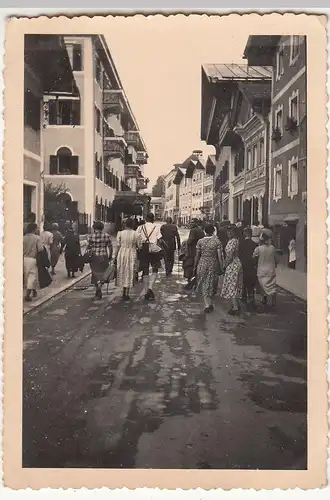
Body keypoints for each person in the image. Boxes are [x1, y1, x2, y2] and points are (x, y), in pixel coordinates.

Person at [194, 223, 224, 313]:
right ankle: (209, 303)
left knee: (204, 283)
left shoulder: (200, 241)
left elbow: (197, 256)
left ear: (204, 231)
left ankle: (208, 304)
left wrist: (195, 266)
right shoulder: (217, 241)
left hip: (202, 263)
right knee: (211, 283)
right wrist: (222, 267)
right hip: (213, 264)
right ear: (213, 231)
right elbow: (220, 256)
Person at [136, 212, 162, 301]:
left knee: (145, 270)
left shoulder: (140, 227)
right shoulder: (157, 227)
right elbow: (159, 239)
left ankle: (147, 291)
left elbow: (137, 239)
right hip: (153, 248)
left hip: (144, 248)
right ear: (153, 219)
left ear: (145, 218)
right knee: (155, 269)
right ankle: (150, 288)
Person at [114, 217, 140, 301]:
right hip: (131, 253)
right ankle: (127, 293)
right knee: (129, 271)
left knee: (122, 270)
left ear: (125, 224)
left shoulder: (120, 233)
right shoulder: (136, 234)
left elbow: (118, 246)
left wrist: (115, 256)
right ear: (133, 224)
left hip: (122, 253)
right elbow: (139, 246)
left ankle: (123, 290)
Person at [87, 220, 113, 300]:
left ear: (94, 228)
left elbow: (89, 247)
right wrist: (110, 256)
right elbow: (110, 247)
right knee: (104, 274)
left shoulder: (91, 236)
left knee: (95, 274)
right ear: (102, 228)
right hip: (104, 257)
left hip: (94, 258)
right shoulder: (106, 236)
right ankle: (100, 287)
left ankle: (97, 290)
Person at [221, 224, 243, 315]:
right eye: (228, 231)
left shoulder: (232, 241)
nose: (229, 233)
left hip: (232, 264)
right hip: (236, 263)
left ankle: (235, 307)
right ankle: (236, 304)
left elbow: (229, 256)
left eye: (231, 231)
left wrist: (224, 265)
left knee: (232, 285)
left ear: (234, 232)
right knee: (234, 284)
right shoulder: (236, 240)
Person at [253, 232, 277, 307]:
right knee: (272, 285)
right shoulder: (273, 248)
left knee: (262, 286)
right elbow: (275, 258)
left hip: (261, 270)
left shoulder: (259, 249)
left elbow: (253, 256)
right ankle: (273, 300)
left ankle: (264, 298)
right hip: (271, 270)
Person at [23, 223, 44, 301]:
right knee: (32, 276)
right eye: (37, 228)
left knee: (27, 276)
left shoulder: (23, 238)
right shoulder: (37, 238)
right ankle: (27, 295)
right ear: (34, 229)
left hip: (24, 258)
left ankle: (34, 291)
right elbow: (40, 249)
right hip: (33, 258)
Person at [239, 227, 258, 309]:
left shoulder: (241, 243)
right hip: (251, 266)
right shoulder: (255, 244)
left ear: (245, 233)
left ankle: (243, 296)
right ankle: (251, 298)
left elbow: (239, 255)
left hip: (243, 265)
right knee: (251, 282)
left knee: (244, 281)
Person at [183, 219, 204, 289]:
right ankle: (196, 283)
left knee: (190, 267)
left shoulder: (193, 230)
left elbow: (190, 240)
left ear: (195, 223)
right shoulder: (200, 230)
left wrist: (185, 242)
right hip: (199, 251)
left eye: (191, 222)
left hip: (193, 252)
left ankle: (190, 283)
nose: (190, 223)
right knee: (197, 268)